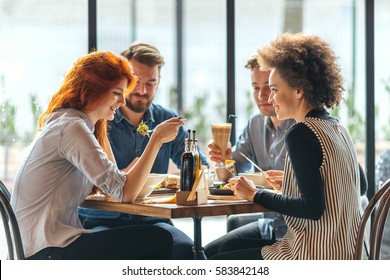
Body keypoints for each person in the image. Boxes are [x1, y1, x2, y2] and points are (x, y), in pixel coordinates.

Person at [10, 51, 184, 260]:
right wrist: (156, 139)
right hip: (47, 250)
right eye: (117, 93)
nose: (122, 101)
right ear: (95, 89)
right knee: (160, 240)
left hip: (38, 245)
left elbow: (111, 182)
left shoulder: (70, 122)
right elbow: (124, 192)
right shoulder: (72, 128)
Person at [211, 32, 367, 260]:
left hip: (312, 255)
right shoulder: (337, 128)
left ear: (298, 90)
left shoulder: (300, 134)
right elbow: (359, 186)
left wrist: (255, 194)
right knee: (225, 252)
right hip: (349, 253)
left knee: (217, 262)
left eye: (274, 89)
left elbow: (312, 208)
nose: (269, 98)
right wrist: (292, 181)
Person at [78, 42, 208, 260]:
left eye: (151, 83)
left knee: (187, 250)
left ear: (159, 83)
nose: (142, 91)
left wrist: (205, 168)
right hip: (102, 220)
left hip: (153, 220)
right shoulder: (101, 119)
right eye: (137, 82)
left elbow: (201, 168)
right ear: (124, 80)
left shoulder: (166, 120)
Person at [204, 54, 295, 258]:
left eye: (269, 88)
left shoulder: (302, 127)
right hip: (271, 224)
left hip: (297, 233)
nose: (262, 95)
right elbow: (228, 177)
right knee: (208, 253)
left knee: (221, 257)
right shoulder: (255, 124)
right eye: (255, 87)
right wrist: (222, 158)